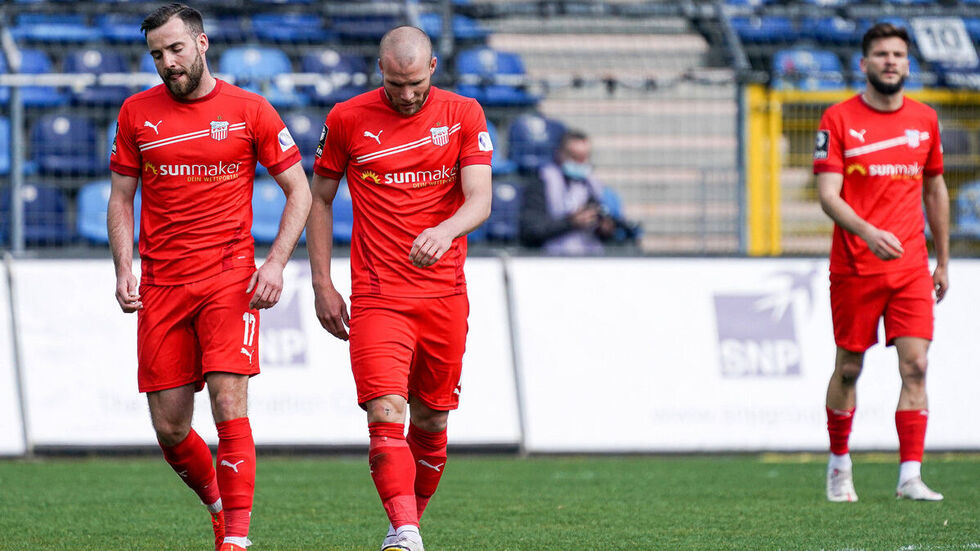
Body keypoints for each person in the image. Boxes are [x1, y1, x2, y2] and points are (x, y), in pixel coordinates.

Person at [107, 4, 312, 550]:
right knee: (171, 427)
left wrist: (274, 263)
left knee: (229, 402)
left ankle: (236, 541)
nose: (167, 63)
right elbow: (121, 199)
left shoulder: (250, 109)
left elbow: (301, 190)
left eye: (175, 49)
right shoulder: (135, 114)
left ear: (201, 43)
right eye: (157, 55)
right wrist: (125, 267)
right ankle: (219, 506)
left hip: (228, 278)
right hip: (163, 284)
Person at [307, 26, 492, 551]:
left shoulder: (463, 114)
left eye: (414, 83)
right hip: (377, 294)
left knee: (432, 418)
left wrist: (445, 229)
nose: (405, 95)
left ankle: (405, 523)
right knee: (385, 411)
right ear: (379, 73)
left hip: (443, 294)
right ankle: (406, 535)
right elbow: (320, 200)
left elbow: (480, 198)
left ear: (433, 67)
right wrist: (322, 282)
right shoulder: (347, 118)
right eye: (394, 84)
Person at [814, 22, 950, 503]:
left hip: (911, 267)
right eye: (881, 54)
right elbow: (828, 194)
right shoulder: (838, 119)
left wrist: (943, 261)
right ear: (864, 63)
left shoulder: (925, 120)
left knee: (916, 365)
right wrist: (867, 232)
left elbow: (934, 187)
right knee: (849, 368)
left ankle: (910, 476)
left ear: (908, 64)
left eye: (898, 54)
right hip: (854, 266)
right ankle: (838, 464)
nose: (890, 61)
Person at [519, 129, 617, 254]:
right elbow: (531, 230)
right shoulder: (541, 182)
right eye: (575, 156)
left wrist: (604, 229)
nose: (580, 162)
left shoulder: (593, 185)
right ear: (559, 153)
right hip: (550, 259)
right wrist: (571, 222)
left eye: (584, 157)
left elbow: (605, 233)